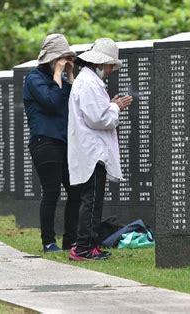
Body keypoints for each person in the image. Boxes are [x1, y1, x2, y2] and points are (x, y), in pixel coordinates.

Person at [67, 38, 133, 261]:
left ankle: (90, 244)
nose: (111, 71)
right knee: (91, 201)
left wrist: (110, 105)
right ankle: (83, 248)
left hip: (93, 150)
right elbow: (98, 118)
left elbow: (97, 112)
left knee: (93, 200)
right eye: (110, 66)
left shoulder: (89, 81)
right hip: (92, 151)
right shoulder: (88, 83)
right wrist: (115, 106)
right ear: (101, 63)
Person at [23, 33, 81, 253]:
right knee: (52, 191)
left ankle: (70, 241)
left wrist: (70, 75)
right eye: (60, 58)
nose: (64, 61)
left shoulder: (63, 82)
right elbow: (52, 101)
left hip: (65, 143)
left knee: (75, 191)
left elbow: (77, 100)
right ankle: (48, 242)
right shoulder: (34, 79)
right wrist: (58, 73)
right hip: (44, 142)